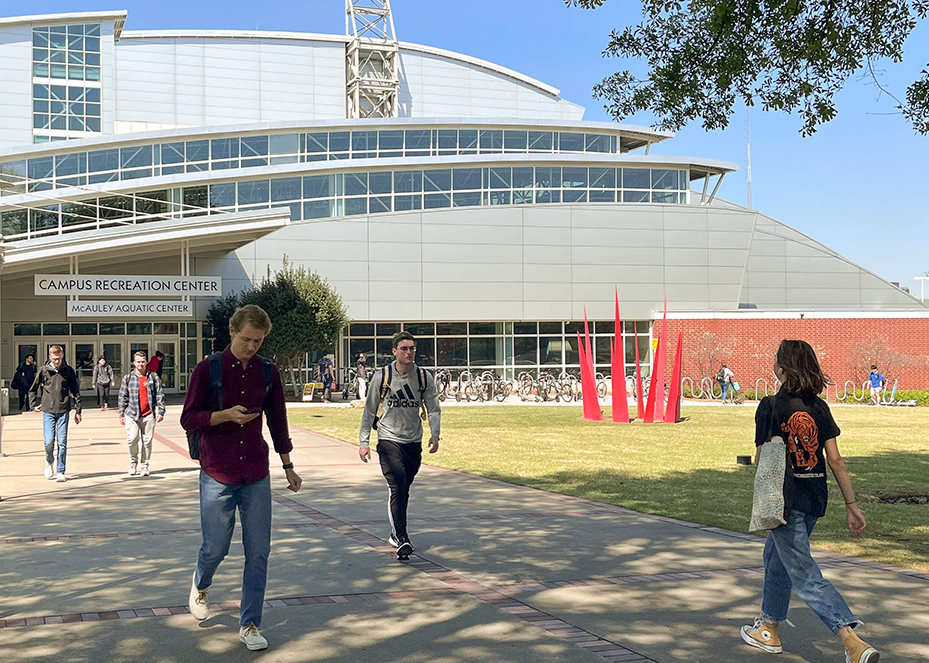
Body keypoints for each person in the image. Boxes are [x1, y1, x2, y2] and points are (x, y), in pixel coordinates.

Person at [742, 340, 878, 663]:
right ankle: (769, 628)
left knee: (804, 574)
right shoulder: (819, 407)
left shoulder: (770, 407)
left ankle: (852, 642)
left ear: (783, 369)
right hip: (815, 498)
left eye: (777, 360)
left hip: (784, 502)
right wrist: (852, 505)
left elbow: (763, 458)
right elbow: (836, 460)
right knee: (776, 557)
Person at [181, 304, 302, 652]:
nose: (252, 346)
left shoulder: (267, 371)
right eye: (247, 339)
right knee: (215, 548)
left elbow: (277, 419)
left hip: (255, 472)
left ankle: (250, 623)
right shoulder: (209, 369)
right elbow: (189, 419)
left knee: (258, 552)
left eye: (259, 341)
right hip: (217, 471)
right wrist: (223, 416)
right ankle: (201, 583)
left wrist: (288, 465)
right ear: (232, 332)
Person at [359, 331, 441, 560]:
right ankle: (401, 537)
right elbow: (370, 409)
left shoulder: (424, 377)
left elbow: (433, 408)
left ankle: (396, 531)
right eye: (404, 348)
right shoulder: (383, 376)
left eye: (412, 348)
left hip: (413, 440)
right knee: (399, 488)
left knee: (405, 487)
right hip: (388, 439)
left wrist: (435, 434)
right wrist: (364, 442)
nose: (408, 352)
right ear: (394, 351)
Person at [28, 345, 82, 482]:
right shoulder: (44, 370)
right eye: (54, 359)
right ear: (50, 357)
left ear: (62, 356)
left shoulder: (68, 371)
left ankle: (60, 471)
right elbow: (32, 389)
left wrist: (78, 410)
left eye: (58, 359)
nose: (57, 361)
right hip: (48, 411)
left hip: (63, 409)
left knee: (62, 442)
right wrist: (33, 404)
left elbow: (75, 391)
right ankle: (49, 461)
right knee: (49, 441)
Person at [118, 351, 166, 477]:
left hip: (148, 414)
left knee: (147, 441)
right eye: (138, 362)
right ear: (134, 363)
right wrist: (121, 414)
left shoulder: (153, 377)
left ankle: (145, 465)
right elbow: (122, 396)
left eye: (143, 362)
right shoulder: (128, 378)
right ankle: (133, 462)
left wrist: (160, 411)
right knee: (132, 439)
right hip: (132, 414)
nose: (141, 364)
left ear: (146, 362)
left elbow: (160, 394)